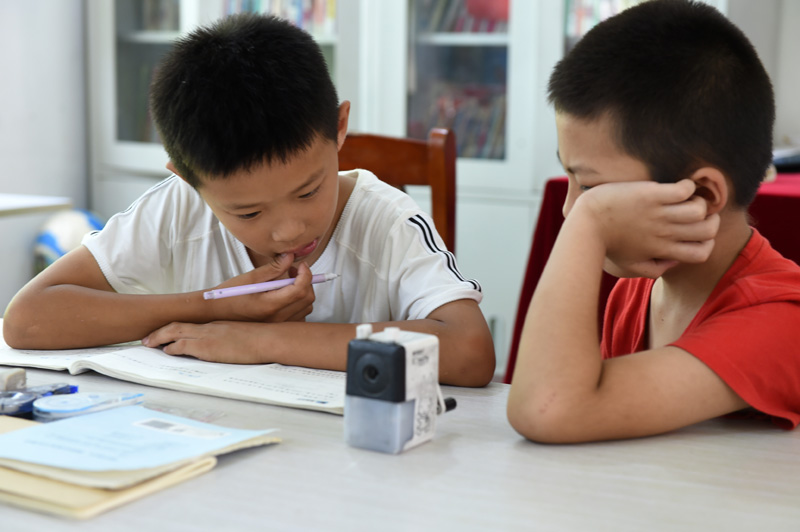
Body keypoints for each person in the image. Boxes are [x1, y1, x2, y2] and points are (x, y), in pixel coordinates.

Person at [3, 13, 495, 387]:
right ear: (188, 180)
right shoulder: (178, 208)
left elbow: (470, 351)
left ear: (340, 128)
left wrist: (265, 340)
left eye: (309, 190)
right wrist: (212, 309)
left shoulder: (386, 222)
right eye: (248, 212)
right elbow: (27, 320)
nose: (289, 231)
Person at [507, 0, 800, 442]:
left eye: (589, 189)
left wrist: (591, 222)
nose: (570, 209)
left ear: (701, 196)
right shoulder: (635, 292)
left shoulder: (781, 319)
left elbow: (546, 410)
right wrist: (593, 209)